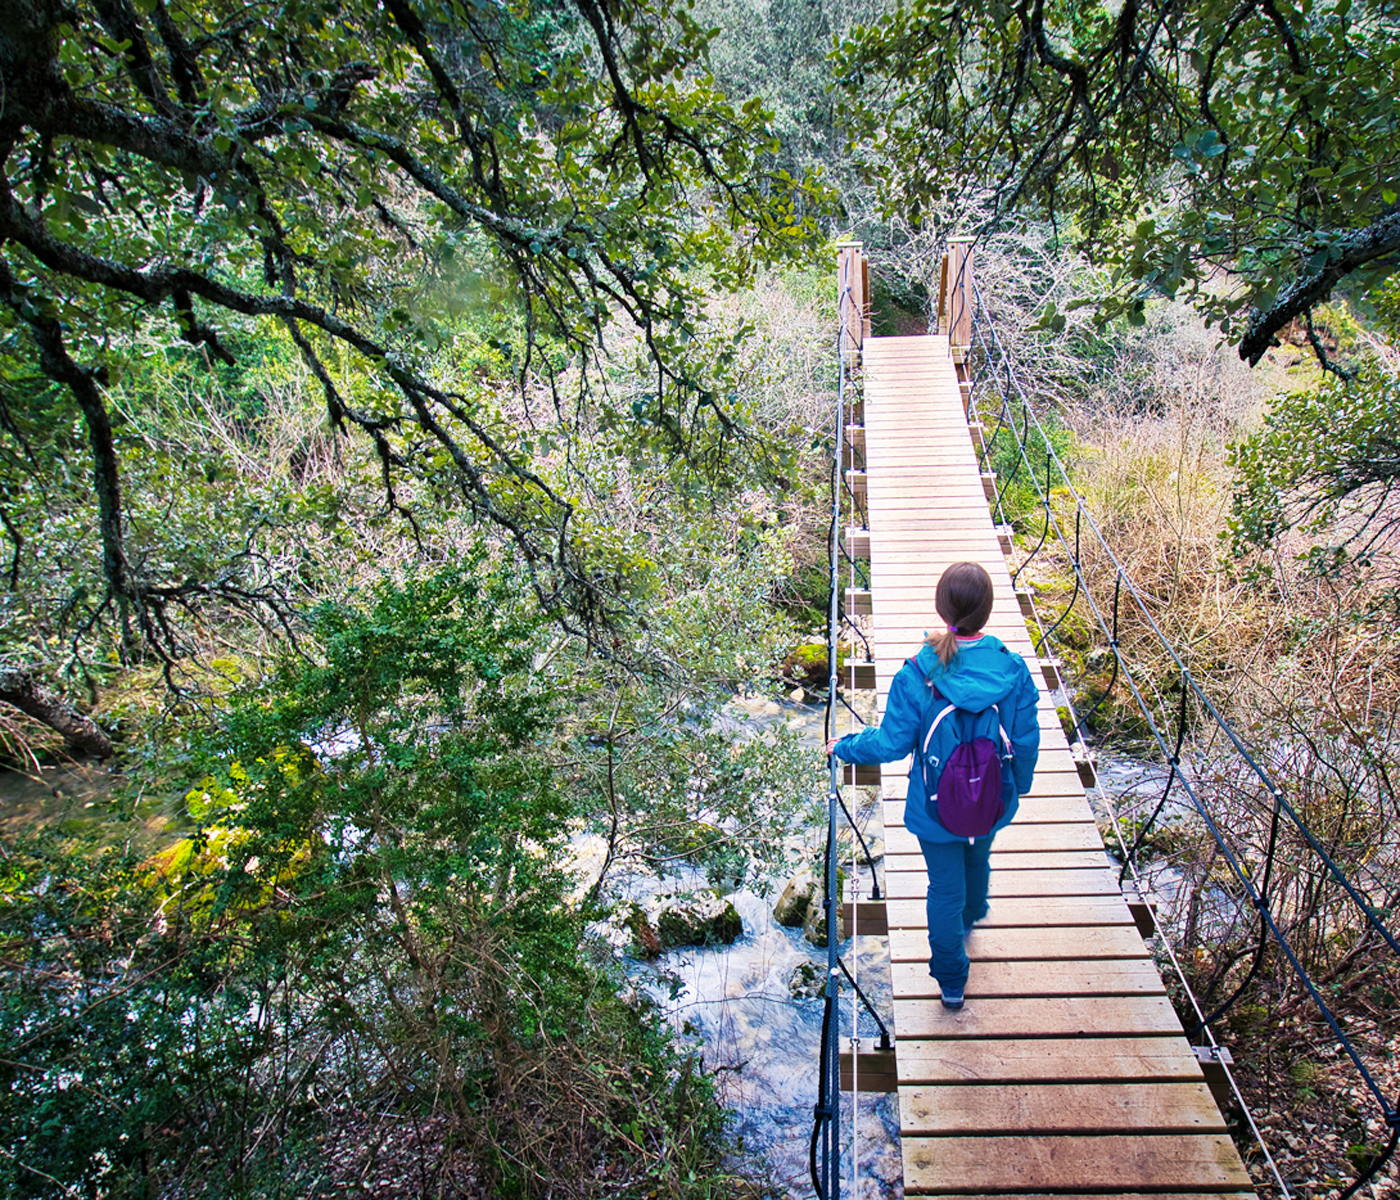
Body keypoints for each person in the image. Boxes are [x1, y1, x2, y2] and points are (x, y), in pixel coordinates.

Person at [825, 561, 1040, 1010]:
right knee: (978, 851)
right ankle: (972, 915)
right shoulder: (1012, 669)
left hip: (936, 806)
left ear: (942, 610)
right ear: (988, 611)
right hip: (992, 797)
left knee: (943, 886)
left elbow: (890, 744)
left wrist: (844, 746)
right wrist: (1016, 787)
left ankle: (951, 981)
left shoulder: (917, 674)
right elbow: (1024, 738)